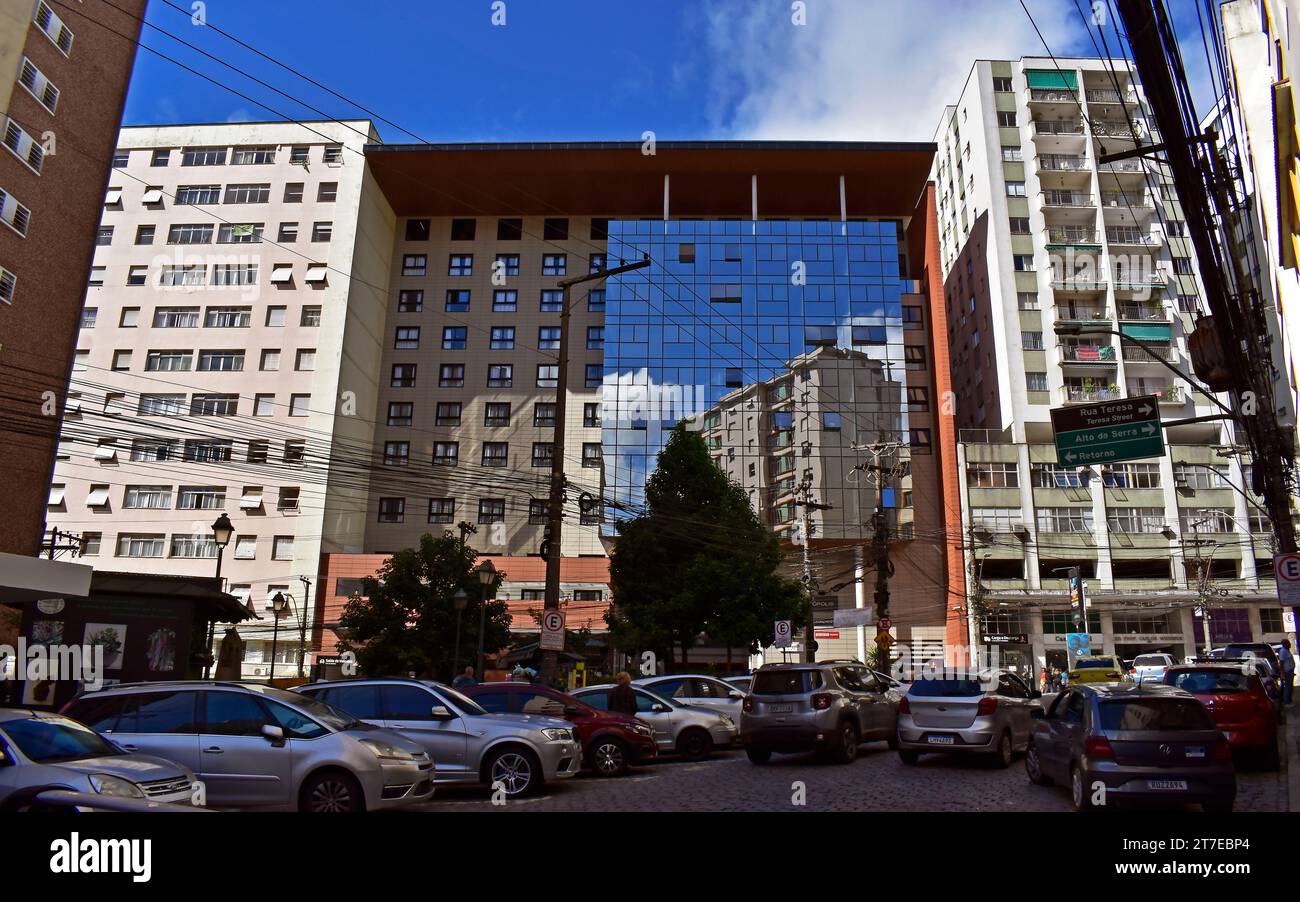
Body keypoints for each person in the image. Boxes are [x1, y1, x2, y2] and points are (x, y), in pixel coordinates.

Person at [1279, 638, 1295, 705]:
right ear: (1285, 644)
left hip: (1290, 670)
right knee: (1288, 686)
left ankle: (1289, 700)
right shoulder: (1283, 651)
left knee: (1290, 686)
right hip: (1287, 671)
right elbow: (1281, 663)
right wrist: (1282, 673)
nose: (1290, 644)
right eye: (1288, 643)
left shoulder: (1287, 650)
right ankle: (1287, 701)